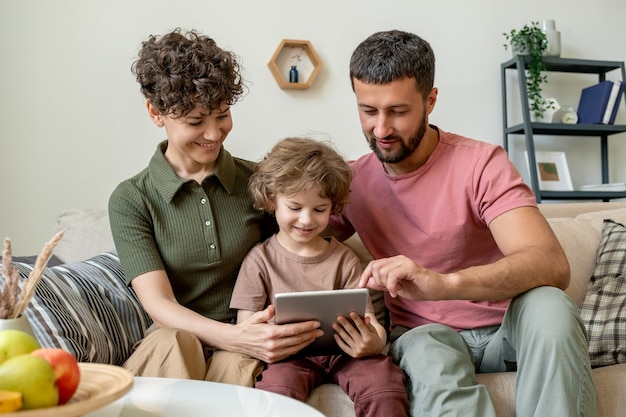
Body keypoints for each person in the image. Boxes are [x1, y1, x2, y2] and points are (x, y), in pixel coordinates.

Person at [327, 30, 596, 417]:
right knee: (428, 358)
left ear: (431, 100)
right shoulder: (351, 183)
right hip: (424, 334)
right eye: (368, 111)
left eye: (398, 111)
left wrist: (444, 284)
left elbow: (550, 263)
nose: (381, 129)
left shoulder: (480, 164)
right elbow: (291, 235)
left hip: (509, 326)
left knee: (551, 308)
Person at [108, 28, 322, 386]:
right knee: (175, 343)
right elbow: (158, 304)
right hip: (175, 341)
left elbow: (297, 258)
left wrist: (249, 336)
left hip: (246, 339)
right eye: (195, 121)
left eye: (222, 114)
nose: (213, 133)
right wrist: (232, 337)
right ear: (156, 113)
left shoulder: (260, 181)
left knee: (237, 365)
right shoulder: (132, 199)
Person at [230, 137, 409, 417]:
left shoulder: (345, 258)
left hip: (347, 354)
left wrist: (372, 343)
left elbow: (372, 326)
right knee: (277, 392)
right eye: (295, 207)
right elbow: (246, 329)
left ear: (333, 207)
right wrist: (269, 337)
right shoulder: (259, 260)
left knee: (383, 385)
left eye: (319, 209)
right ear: (271, 201)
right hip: (289, 359)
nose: (306, 220)